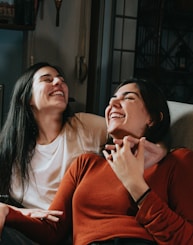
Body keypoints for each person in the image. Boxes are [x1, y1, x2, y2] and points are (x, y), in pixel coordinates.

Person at [1, 78, 178, 244]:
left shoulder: (175, 162)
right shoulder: (86, 164)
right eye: (112, 99)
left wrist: (137, 186)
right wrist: (8, 212)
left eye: (129, 98)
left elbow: (186, 238)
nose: (112, 104)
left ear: (153, 118)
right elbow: (53, 228)